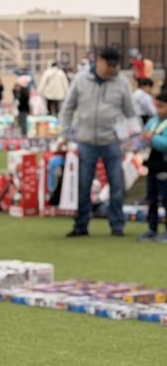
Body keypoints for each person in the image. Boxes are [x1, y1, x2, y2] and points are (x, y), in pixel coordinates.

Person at [59, 48, 137, 237]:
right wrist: (64, 134)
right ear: (99, 61)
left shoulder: (122, 83)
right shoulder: (81, 80)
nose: (111, 70)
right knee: (83, 184)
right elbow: (68, 108)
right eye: (108, 65)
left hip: (112, 141)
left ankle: (117, 225)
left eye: (114, 66)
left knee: (116, 184)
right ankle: (81, 225)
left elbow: (130, 113)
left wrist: (132, 140)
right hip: (85, 140)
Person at [139, 91, 167, 242]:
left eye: (161, 106)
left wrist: (153, 138)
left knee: (166, 200)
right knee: (152, 199)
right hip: (152, 166)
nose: (158, 110)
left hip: (164, 167)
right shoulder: (153, 121)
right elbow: (144, 135)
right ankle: (152, 228)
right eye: (156, 106)